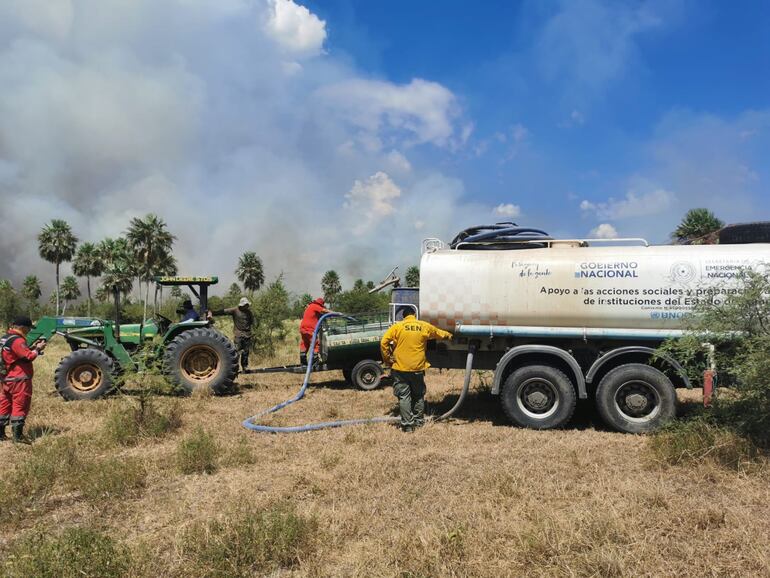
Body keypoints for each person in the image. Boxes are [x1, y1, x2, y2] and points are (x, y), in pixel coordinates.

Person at [380, 307, 452, 433]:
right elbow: (439, 333)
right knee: (418, 395)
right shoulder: (423, 326)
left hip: (400, 368)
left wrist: (388, 360)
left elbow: (383, 342)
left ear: (404, 317)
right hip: (417, 368)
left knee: (404, 396)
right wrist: (450, 335)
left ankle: (408, 426)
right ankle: (419, 422)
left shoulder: (397, 327)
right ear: (414, 314)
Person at [1, 316, 46, 443]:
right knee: (20, 405)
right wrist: (38, 349)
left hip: (5, 378)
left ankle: (0, 434)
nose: (29, 331)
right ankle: (17, 437)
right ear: (22, 327)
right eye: (28, 328)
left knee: (4, 404)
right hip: (19, 379)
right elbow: (28, 357)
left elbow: (14, 355)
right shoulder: (17, 340)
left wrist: (31, 348)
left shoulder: (5, 338)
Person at [208, 297, 254, 370]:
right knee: (236, 352)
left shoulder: (249, 312)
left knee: (246, 352)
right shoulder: (235, 310)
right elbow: (223, 312)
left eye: (247, 305)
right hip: (238, 334)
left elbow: (251, 322)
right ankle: (235, 367)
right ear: (242, 305)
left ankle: (245, 366)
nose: (247, 306)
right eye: (246, 305)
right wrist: (212, 312)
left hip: (247, 334)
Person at [299, 297, 329, 365]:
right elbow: (324, 311)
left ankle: (303, 361)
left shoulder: (310, 307)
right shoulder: (315, 306)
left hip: (303, 329)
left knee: (305, 343)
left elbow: (318, 317)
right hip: (309, 329)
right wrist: (335, 313)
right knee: (316, 342)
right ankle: (315, 361)